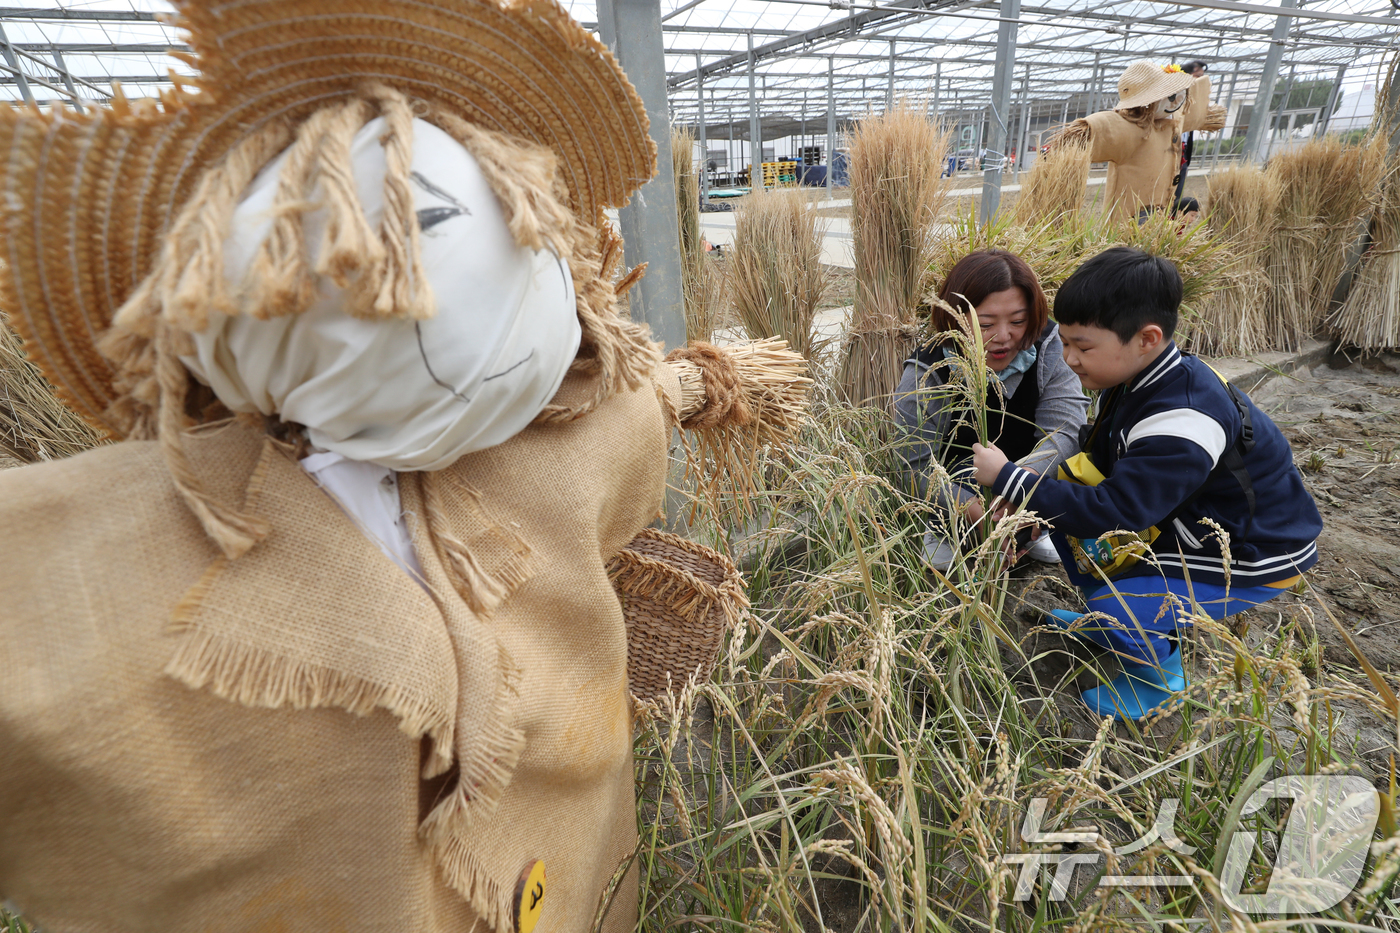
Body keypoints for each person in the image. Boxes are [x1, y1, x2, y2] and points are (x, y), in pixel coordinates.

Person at [0, 1, 805, 930]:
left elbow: (652, 396)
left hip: (581, 866)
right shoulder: (167, 534)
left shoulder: (568, 442)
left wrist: (713, 378)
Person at [971, 248, 1322, 720]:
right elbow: (1097, 457)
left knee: (1116, 581)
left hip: (1250, 551)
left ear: (1146, 338)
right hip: (1188, 520)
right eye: (1066, 344)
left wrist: (1011, 480)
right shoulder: (1140, 375)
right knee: (1072, 527)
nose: (1069, 359)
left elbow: (1116, 511)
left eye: (1082, 346)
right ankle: (1115, 623)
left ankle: (1159, 677)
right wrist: (1036, 494)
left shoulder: (1185, 416)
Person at [895, 250, 1089, 570]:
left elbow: (1064, 428)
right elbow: (911, 464)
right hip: (960, 488)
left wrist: (1018, 491)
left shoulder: (1051, 343)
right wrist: (979, 515)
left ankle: (1032, 524)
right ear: (955, 320)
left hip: (1028, 485)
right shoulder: (927, 369)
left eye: (1018, 321)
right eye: (985, 324)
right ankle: (948, 527)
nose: (1003, 337)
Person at [1057, 60, 1224, 221]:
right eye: (1172, 95)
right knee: (1133, 231)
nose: (1178, 100)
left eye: (1180, 93)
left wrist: (1211, 114)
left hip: (1163, 204)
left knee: (1159, 226)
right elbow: (1101, 128)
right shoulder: (1128, 128)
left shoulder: (1176, 118)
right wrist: (1070, 140)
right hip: (1133, 210)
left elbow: (1195, 114)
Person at [1174, 60, 1209, 213]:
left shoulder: (1194, 102)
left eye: (1202, 76)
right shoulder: (1172, 99)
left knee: (1177, 193)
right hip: (1168, 151)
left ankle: (1171, 224)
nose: (1199, 80)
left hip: (1183, 153)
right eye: (1196, 76)